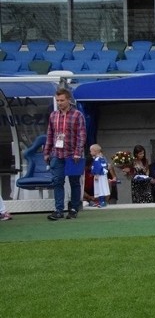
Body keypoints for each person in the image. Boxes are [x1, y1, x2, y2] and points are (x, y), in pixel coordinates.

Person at [45, 88, 86, 221]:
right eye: (57, 100)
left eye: (62, 100)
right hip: (57, 153)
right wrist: (47, 152)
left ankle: (73, 208)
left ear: (69, 100)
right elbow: (50, 135)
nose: (59, 103)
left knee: (74, 182)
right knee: (57, 181)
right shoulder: (53, 115)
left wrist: (78, 152)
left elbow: (81, 135)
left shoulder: (77, 115)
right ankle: (58, 210)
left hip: (72, 154)